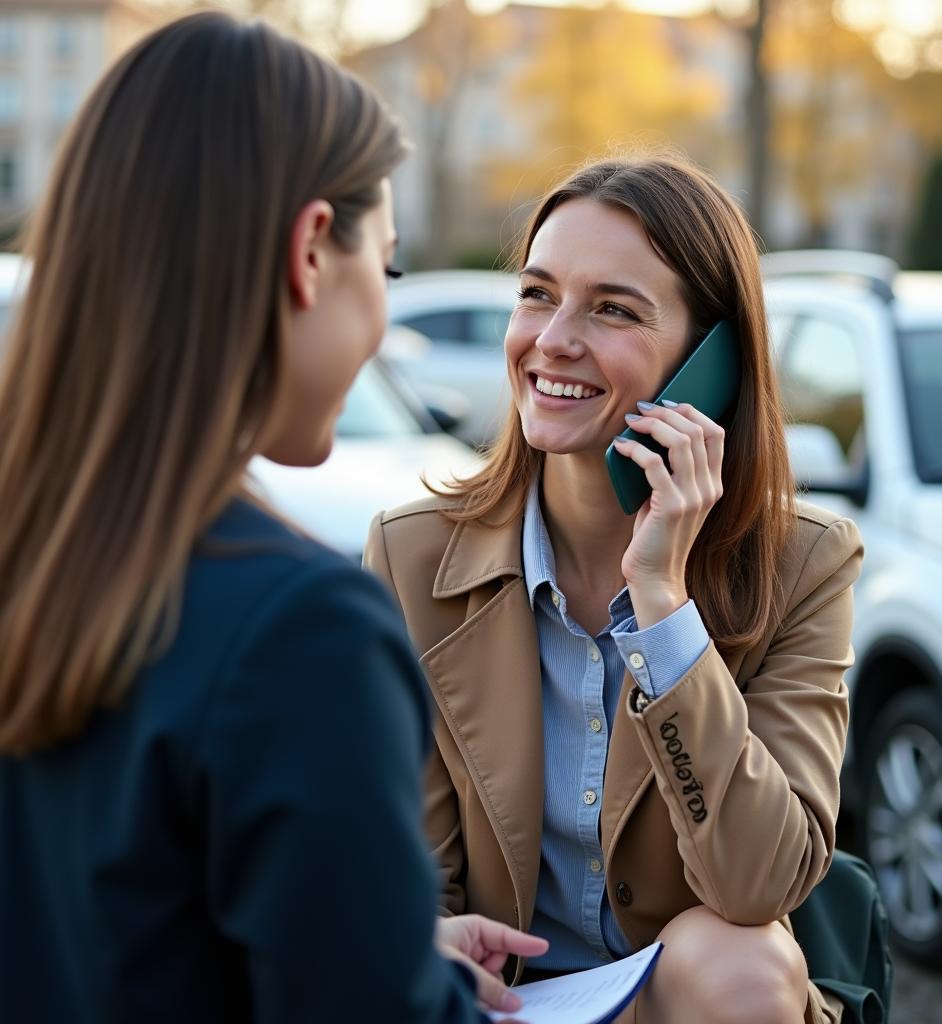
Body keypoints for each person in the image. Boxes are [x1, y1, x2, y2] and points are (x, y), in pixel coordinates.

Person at [0, 13, 545, 1023]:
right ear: (308, 252)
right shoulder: (301, 630)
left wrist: (376, 934)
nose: (382, 314)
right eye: (382, 268)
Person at [365, 154, 864, 1024]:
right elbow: (411, 876)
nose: (553, 338)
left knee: (739, 961)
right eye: (536, 294)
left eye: (613, 309)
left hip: (694, 1004)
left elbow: (760, 883)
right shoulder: (413, 557)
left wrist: (662, 608)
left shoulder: (804, 566)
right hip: (499, 1006)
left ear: (712, 361)